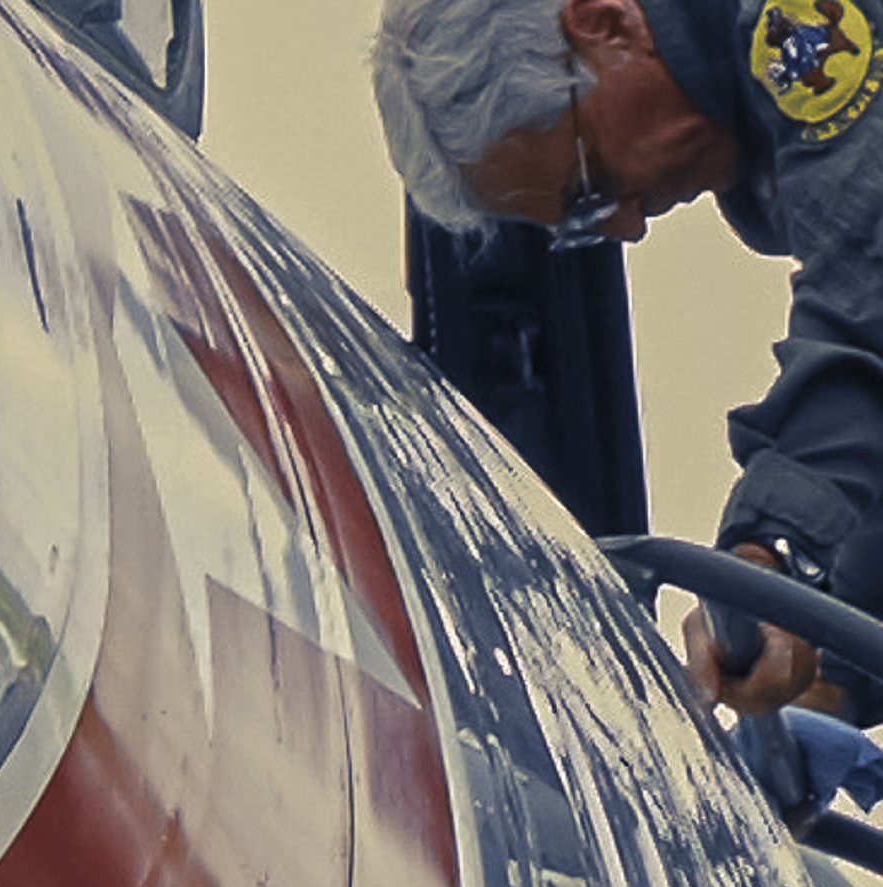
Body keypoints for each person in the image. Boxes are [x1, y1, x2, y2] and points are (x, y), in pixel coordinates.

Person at [373, 0, 883, 712]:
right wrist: (838, 678)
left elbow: (865, 315)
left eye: (590, 190)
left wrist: (771, 558)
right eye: (588, 223)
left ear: (606, 23)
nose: (629, 224)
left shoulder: (795, 23)